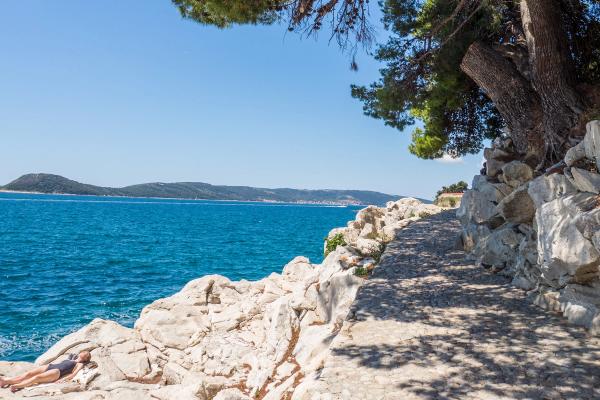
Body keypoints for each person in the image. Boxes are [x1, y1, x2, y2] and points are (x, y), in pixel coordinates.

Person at [0, 351, 91, 393]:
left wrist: (63, 379)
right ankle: (5, 381)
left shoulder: (80, 364)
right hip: (51, 366)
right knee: (28, 374)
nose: (85, 353)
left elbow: (73, 374)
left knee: (36, 378)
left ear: (86, 359)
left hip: (57, 372)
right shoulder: (73, 357)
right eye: (85, 352)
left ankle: (16, 386)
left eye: (87, 355)